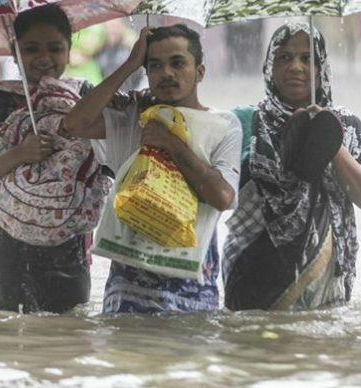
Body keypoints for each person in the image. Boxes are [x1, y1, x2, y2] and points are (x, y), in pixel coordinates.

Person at [61, 24, 242, 313]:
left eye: (178, 63)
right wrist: (129, 66)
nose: (167, 73)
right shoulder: (134, 115)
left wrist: (171, 143)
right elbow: (73, 124)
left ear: (200, 72)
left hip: (192, 295)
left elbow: (223, 197)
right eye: (155, 65)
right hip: (126, 295)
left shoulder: (224, 125)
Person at [0, 4, 102, 313]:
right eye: (31, 49)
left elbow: (113, 159)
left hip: (67, 249)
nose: (44, 58)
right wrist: (19, 153)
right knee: (1, 340)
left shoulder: (85, 97)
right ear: (13, 51)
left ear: (70, 51)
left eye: (55, 48)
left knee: (64, 341)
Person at [222, 23, 361, 311]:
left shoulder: (347, 126)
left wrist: (328, 138)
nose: (296, 67)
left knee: (318, 350)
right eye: (284, 57)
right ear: (269, 66)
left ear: (322, 70)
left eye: (307, 59)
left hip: (323, 281)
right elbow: (217, 192)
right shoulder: (245, 123)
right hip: (252, 280)